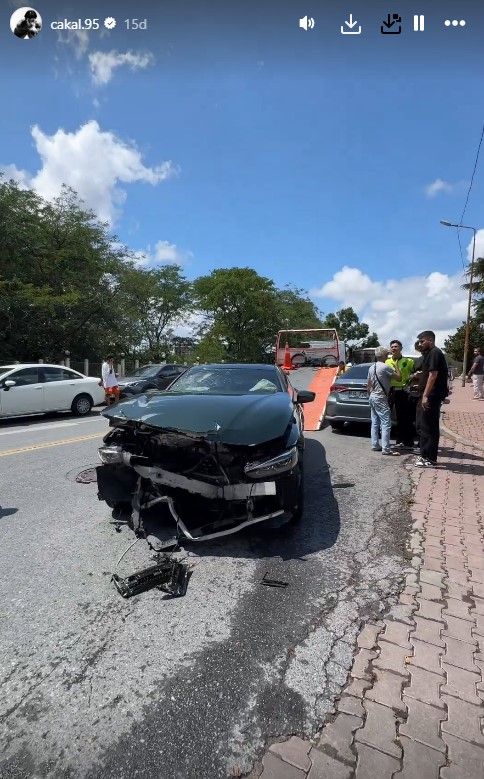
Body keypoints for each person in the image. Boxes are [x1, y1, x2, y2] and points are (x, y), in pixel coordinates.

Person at [414, 330, 449, 467]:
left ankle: (427, 458)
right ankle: (430, 457)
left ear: (430, 340)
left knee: (426, 427)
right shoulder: (432, 353)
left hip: (431, 396)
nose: (420, 344)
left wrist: (426, 395)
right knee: (428, 426)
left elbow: (433, 375)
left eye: (422, 341)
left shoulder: (435, 353)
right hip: (431, 395)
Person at [366, 346, 402, 455]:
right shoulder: (386, 367)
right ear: (385, 355)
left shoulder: (372, 367)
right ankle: (386, 449)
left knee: (375, 422)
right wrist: (396, 366)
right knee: (386, 422)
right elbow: (399, 378)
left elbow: (369, 384)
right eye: (387, 354)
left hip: (372, 396)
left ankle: (375, 444)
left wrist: (370, 396)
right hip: (381, 397)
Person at [385, 340, 415, 449]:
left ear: (401, 348)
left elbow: (414, 373)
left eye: (396, 346)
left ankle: (404, 440)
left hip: (402, 391)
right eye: (392, 346)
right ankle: (387, 440)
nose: (394, 348)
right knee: (386, 416)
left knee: (403, 417)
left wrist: (411, 380)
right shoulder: (387, 362)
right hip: (390, 391)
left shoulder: (408, 361)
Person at [406, 340, 424, 447]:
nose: (420, 348)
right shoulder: (416, 361)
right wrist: (414, 376)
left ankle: (422, 444)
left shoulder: (432, 359)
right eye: (418, 346)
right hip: (413, 393)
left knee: (421, 421)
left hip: (423, 394)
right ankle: (409, 441)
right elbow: (410, 376)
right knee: (409, 419)